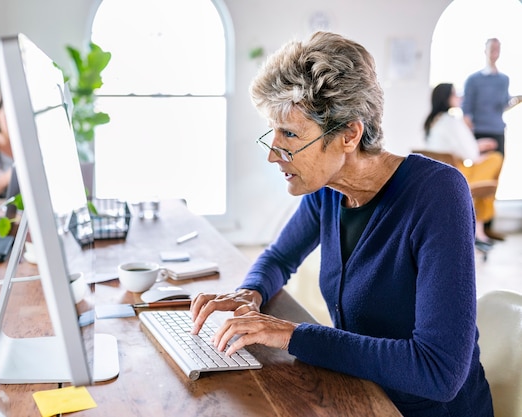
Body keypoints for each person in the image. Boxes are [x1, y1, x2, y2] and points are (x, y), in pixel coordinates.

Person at [190, 32, 493, 416]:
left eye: (290, 135)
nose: (273, 155)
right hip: (359, 395)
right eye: (274, 132)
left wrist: (291, 334)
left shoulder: (437, 193)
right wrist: (250, 292)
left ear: (349, 134)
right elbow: (280, 258)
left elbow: (439, 372)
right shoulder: (327, 189)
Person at [423, 83, 503, 248]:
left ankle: (478, 229)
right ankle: (478, 227)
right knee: (495, 158)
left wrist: (476, 147)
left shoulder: (431, 122)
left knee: (485, 166)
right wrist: (479, 148)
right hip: (457, 174)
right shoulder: (451, 121)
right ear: (446, 98)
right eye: (455, 94)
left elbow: (458, 148)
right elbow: (471, 154)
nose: (459, 97)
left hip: (440, 175)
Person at [462, 37, 521, 241]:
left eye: (498, 49)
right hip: (479, 133)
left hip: (498, 131)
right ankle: (472, 226)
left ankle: (487, 226)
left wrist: (515, 101)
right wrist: (470, 141)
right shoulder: (473, 80)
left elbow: (503, 104)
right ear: (485, 50)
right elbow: (467, 112)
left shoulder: (504, 79)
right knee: (480, 179)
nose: (495, 52)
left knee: (493, 181)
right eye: (492, 48)